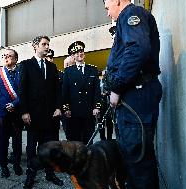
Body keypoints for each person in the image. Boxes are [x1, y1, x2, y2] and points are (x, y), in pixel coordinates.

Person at [102, 0, 162, 188]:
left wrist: (117, 87)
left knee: (138, 161)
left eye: (107, 8)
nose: (107, 13)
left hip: (136, 95)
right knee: (132, 157)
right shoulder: (128, 17)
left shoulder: (131, 13)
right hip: (135, 95)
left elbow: (137, 50)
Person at [19, 36, 63, 189]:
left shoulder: (51, 67)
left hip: (51, 116)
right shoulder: (25, 65)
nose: (47, 47)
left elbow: (58, 90)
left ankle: (50, 173)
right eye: (44, 44)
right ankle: (30, 176)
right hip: (34, 116)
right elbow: (22, 90)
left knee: (50, 147)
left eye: (48, 44)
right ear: (35, 46)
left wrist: (58, 107)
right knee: (32, 148)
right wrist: (24, 112)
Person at [62, 41, 101, 145]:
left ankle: (88, 160)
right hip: (74, 112)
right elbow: (65, 92)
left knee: (88, 139)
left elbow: (97, 90)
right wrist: (66, 109)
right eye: (77, 53)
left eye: (81, 51)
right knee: (74, 140)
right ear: (73, 56)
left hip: (89, 111)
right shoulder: (68, 71)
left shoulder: (93, 69)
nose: (80, 54)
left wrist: (97, 107)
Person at [0, 48, 23, 178]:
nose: (6, 57)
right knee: (3, 140)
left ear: (16, 59)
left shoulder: (22, 72)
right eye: (4, 55)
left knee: (17, 140)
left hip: (17, 111)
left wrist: (15, 104)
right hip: (2, 111)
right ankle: (3, 166)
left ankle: (16, 163)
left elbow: (25, 91)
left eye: (9, 55)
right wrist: (5, 106)